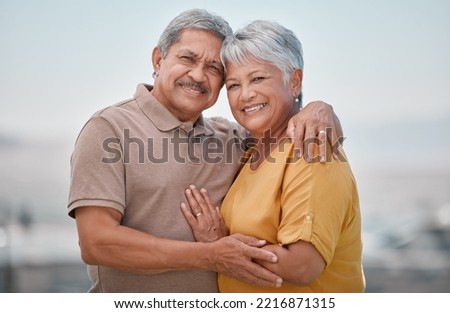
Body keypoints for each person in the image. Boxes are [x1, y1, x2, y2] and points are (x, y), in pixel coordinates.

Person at [68, 9, 343, 292]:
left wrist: (319, 109)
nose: (198, 75)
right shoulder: (108, 129)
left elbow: (280, 122)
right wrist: (210, 255)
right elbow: (97, 242)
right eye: (188, 58)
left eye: (214, 68)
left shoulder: (232, 138)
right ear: (158, 60)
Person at [182, 20, 365, 292]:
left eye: (258, 78)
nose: (245, 95)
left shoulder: (310, 151)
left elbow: (302, 266)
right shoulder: (251, 152)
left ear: (295, 81)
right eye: (233, 85)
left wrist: (219, 249)